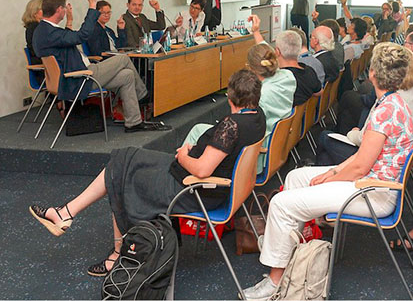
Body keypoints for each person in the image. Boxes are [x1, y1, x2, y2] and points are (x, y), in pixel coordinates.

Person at [29, 69, 266, 276]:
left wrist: (184, 155)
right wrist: (198, 148)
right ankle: (67, 214)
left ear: (230, 96)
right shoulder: (258, 118)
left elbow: (203, 169)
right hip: (214, 186)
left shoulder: (232, 125)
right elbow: (224, 153)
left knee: (121, 175)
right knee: (124, 156)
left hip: (194, 188)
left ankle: (113, 252)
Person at [242, 43, 413, 301]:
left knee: (280, 203)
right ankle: (289, 252)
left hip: (374, 192)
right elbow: (361, 158)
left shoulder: (385, 111)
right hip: (372, 182)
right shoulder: (393, 103)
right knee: (295, 177)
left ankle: (274, 282)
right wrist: (334, 171)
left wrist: (333, 176)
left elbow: (361, 165)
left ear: (372, 73)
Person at [33, 0, 169, 133]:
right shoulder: (50, 32)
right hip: (81, 77)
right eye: (65, 8)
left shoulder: (44, 31)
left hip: (78, 75)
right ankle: (143, 95)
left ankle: (133, 123)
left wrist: (70, 20)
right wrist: (92, 4)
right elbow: (82, 35)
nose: (66, 11)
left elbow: (66, 40)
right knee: (123, 59)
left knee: (127, 76)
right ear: (59, 9)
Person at [315, 51, 413, 166]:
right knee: (327, 154)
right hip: (394, 156)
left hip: (376, 161)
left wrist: (352, 133)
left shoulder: (388, 104)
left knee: (324, 137)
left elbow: (363, 139)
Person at [247, 18, 296, 173]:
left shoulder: (260, 96)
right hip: (275, 149)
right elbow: (265, 52)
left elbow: (246, 133)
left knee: (198, 131)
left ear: (251, 69)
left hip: (257, 156)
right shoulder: (288, 77)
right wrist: (256, 31)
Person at [274, 30, 322, 106]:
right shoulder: (309, 71)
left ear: (277, 51)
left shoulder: (278, 80)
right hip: (305, 116)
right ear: (299, 49)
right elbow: (319, 92)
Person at [22, 0, 46, 65]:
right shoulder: (36, 28)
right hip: (42, 64)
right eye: (43, 9)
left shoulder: (32, 27)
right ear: (34, 13)